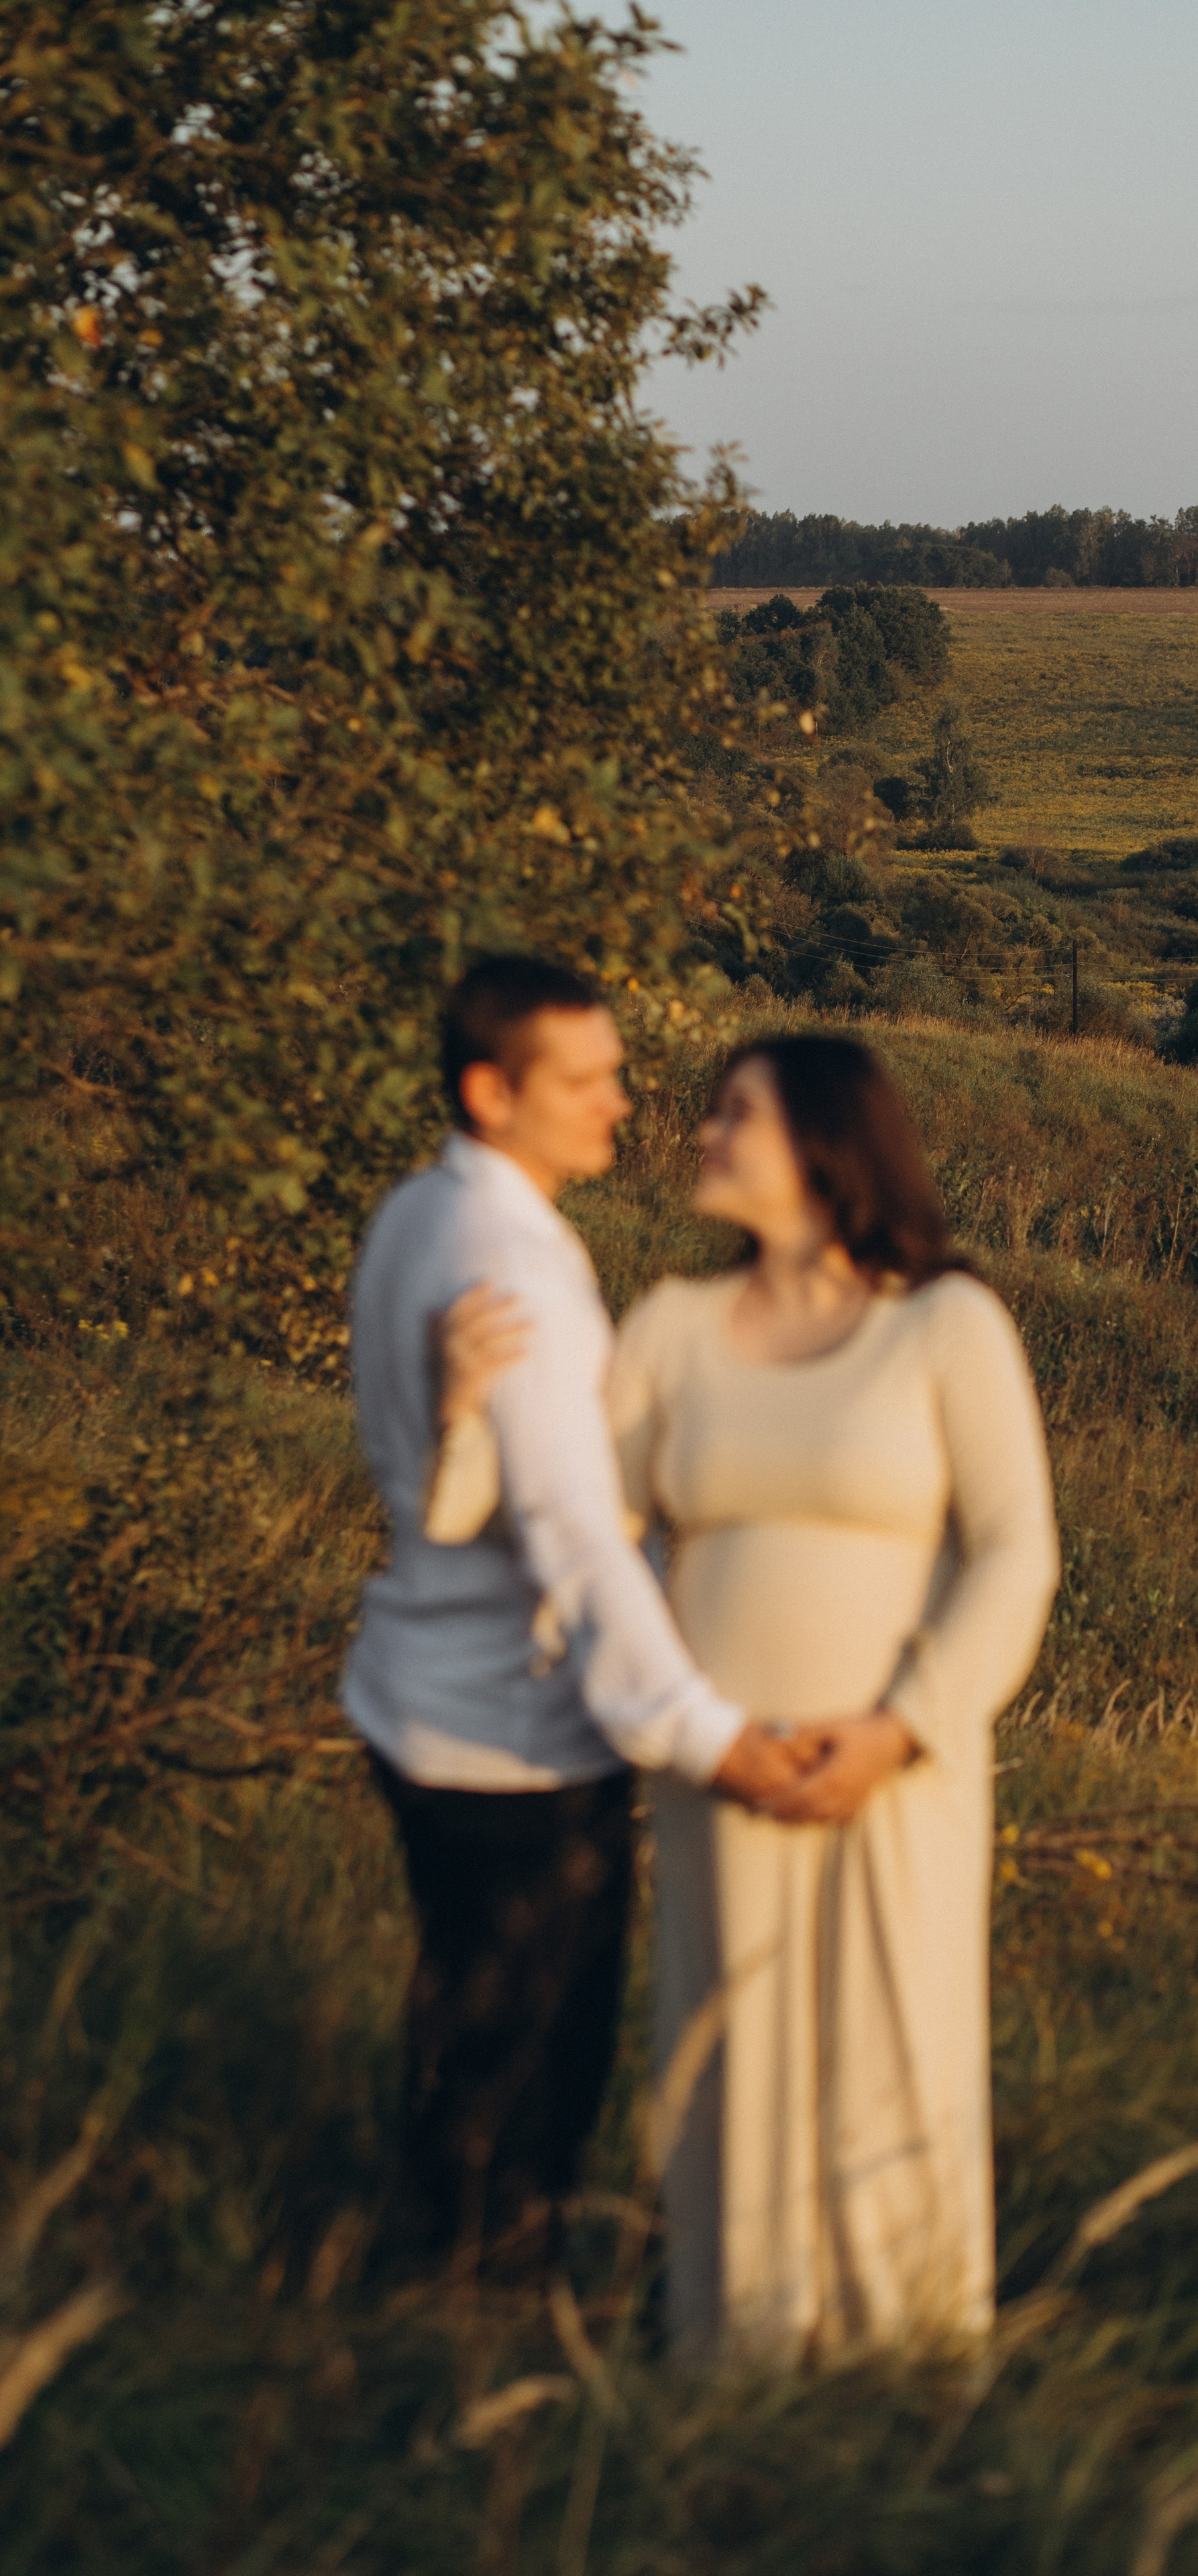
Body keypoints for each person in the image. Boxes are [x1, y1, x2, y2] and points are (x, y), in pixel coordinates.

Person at [431, 1032, 1059, 2360]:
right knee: (734, 2047)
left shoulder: (945, 1323)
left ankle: (907, 2365)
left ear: (826, 1144)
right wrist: (467, 1411)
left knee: (894, 2039)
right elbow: (565, 1523)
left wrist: (902, 1727)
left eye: (735, 1117)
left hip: (895, 1762)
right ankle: (742, 2359)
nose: (703, 1136)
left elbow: (1016, 1552)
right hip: (721, 1765)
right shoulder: (670, 1327)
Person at [341, 955, 806, 2273]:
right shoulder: (512, 1269)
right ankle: (467, 2333)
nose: (622, 1102)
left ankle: (427, 2285)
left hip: (420, 1691)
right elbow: (574, 1537)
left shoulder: (414, 1215)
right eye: (589, 1079)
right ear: (493, 1091)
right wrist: (703, 1731)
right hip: (510, 1728)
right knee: (527, 2072)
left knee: (465, 2033)